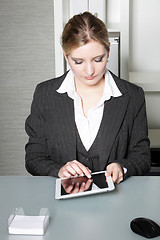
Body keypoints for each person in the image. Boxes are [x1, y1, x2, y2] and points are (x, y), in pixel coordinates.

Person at [25, 11, 151, 184]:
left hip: (117, 203)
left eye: (98, 59)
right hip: (63, 204)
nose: (90, 71)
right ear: (65, 55)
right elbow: (33, 158)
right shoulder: (45, 94)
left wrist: (123, 167)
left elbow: (142, 157)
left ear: (108, 51)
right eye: (78, 61)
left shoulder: (133, 96)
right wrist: (58, 170)